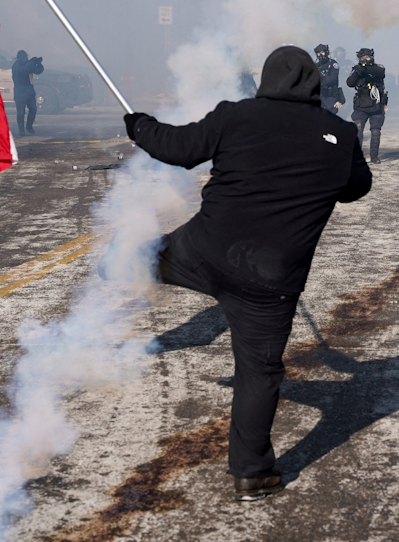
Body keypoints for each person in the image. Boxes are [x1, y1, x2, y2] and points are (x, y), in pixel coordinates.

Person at [124, 46, 372, 502]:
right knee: (258, 374)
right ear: (314, 84)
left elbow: (177, 148)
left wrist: (139, 125)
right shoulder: (339, 133)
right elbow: (358, 187)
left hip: (205, 251)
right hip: (269, 282)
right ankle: (251, 474)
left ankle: (121, 263)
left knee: (150, 255)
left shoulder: (235, 116)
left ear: (266, 80)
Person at [347, 47, 388, 164]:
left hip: (376, 106)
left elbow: (380, 73)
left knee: (375, 133)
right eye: (363, 57)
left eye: (367, 57)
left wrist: (366, 69)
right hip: (361, 106)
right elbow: (350, 83)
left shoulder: (378, 68)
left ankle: (374, 156)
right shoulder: (357, 69)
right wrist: (358, 72)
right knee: (358, 131)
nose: (365, 59)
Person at [11, 49, 44, 136]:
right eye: (23, 57)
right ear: (18, 58)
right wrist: (31, 62)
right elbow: (23, 70)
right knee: (21, 112)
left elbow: (38, 71)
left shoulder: (28, 65)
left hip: (30, 92)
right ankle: (21, 130)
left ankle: (29, 126)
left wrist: (38, 63)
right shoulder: (15, 66)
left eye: (26, 56)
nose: (25, 58)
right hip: (20, 93)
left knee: (33, 109)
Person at [314, 44, 345, 115]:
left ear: (326, 52)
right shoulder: (316, 65)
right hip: (320, 95)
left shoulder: (333, 64)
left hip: (330, 95)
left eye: (322, 52)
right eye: (318, 53)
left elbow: (333, 78)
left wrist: (322, 81)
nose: (320, 55)